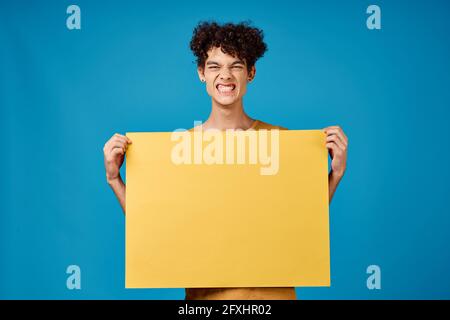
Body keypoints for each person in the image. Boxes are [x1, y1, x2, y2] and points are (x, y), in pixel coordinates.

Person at [103, 21, 348, 300]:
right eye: (214, 66)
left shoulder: (281, 140)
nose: (226, 75)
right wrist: (114, 179)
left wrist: (335, 174)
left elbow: (302, 218)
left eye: (236, 65)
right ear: (201, 74)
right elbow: (154, 225)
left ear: (251, 73)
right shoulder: (181, 149)